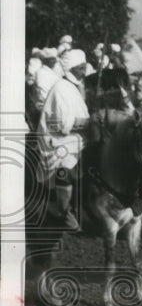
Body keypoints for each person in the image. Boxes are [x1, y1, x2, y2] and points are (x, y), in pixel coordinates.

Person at [38, 48, 91, 229]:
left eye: (85, 67)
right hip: (57, 141)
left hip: (76, 137)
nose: (84, 71)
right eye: (81, 67)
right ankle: (64, 211)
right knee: (65, 169)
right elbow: (62, 125)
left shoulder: (74, 87)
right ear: (72, 68)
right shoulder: (61, 88)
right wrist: (89, 123)